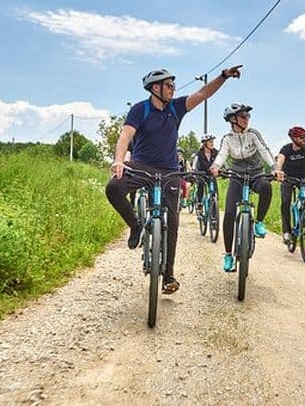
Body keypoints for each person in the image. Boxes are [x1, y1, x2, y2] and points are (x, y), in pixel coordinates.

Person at [106, 65, 243, 294]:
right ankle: (135, 225)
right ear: (155, 87)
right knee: (113, 188)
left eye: (173, 85)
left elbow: (202, 94)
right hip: (141, 165)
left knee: (173, 222)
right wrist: (119, 160)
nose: (173, 88)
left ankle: (168, 275)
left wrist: (223, 77)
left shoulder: (176, 107)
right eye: (169, 85)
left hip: (170, 170)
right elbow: (125, 135)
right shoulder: (141, 109)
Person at [209, 103, 283, 272]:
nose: (247, 119)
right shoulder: (227, 139)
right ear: (233, 120)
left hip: (256, 173)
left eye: (248, 116)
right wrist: (215, 166)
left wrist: (274, 167)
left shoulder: (253, 134)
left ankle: (259, 222)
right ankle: (228, 255)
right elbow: (222, 154)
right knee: (228, 214)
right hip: (237, 176)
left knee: (266, 188)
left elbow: (264, 150)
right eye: (243, 116)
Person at [192, 134, 218, 213]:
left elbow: (221, 161)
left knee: (215, 190)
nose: (212, 143)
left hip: (211, 174)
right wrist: (193, 170)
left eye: (212, 142)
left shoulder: (215, 152)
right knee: (201, 185)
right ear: (204, 143)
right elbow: (195, 163)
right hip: (201, 173)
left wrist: (227, 169)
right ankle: (199, 204)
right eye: (210, 142)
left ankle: (215, 203)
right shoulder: (199, 153)